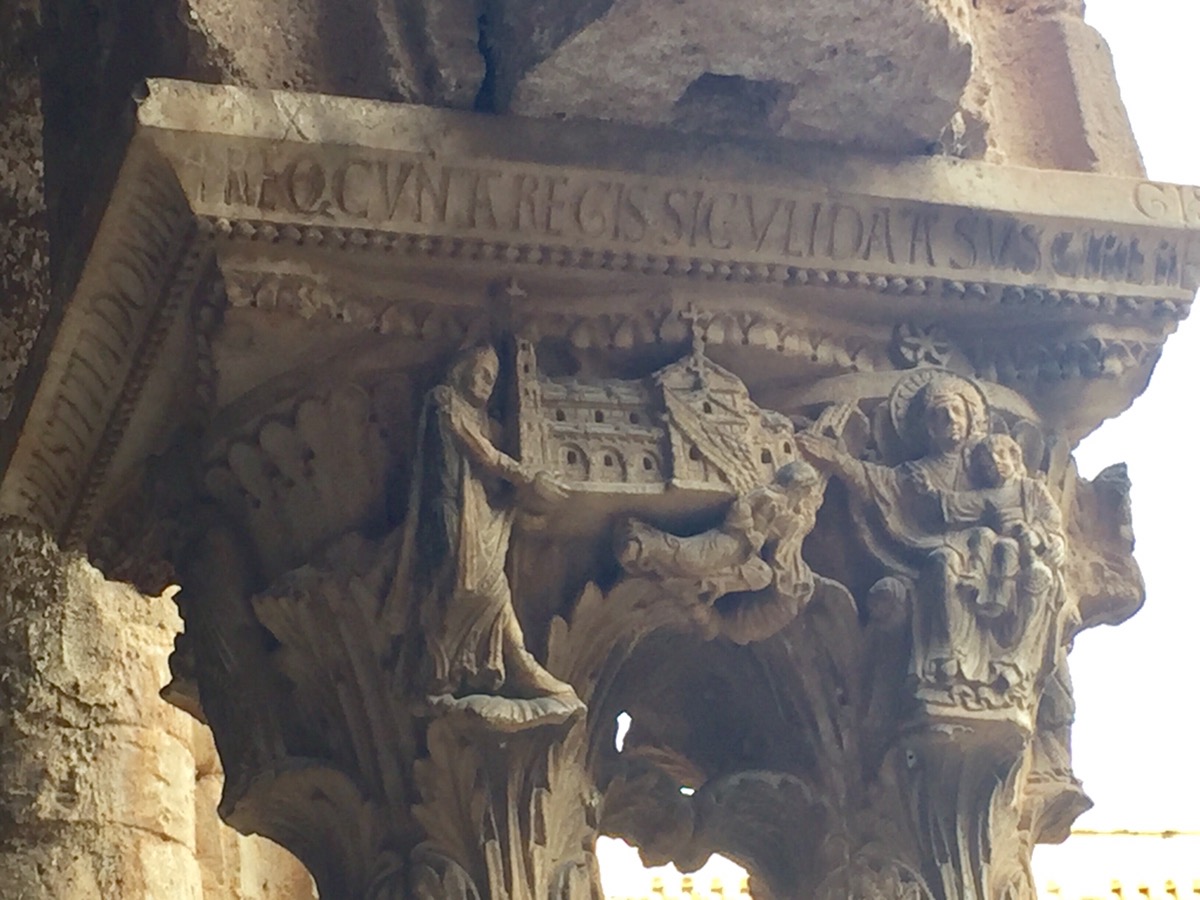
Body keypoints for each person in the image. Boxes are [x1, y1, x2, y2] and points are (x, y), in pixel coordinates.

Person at [406, 345, 584, 730]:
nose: (488, 384)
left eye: (494, 378)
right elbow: (482, 453)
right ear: (462, 369)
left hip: (479, 514)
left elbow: (490, 467)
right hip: (450, 510)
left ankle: (519, 661)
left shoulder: (486, 420)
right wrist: (528, 479)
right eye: (483, 373)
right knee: (457, 589)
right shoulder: (444, 401)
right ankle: (435, 674)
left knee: (495, 591)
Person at [617, 460, 832, 644]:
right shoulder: (768, 496)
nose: (802, 498)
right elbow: (742, 507)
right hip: (733, 539)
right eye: (803, 491)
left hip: (743, 553)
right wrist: (750, 532)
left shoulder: (786, 510)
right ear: (795, 487)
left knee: (760, 575)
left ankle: (704, 585)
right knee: (695, 559)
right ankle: (641, 542)